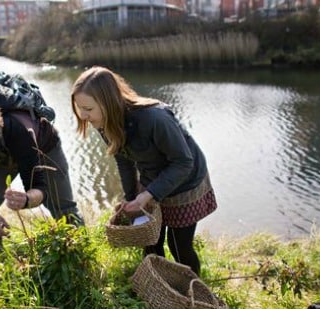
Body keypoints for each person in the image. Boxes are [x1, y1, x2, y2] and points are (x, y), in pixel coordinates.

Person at [70, 66, 217, 276]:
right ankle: (157, 287)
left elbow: (183, 163)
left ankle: (193, 292)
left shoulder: (155, 119)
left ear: (108, 102)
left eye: (88, 109)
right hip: (152, 178)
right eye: (79, 108)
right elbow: (123, 160)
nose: (83, 116)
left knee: (179, 246)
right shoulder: (104, 121)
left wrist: (148, 194)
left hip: (184, 181)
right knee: (150, 243)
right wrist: (131, 199)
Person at [0, 97, 84, 251]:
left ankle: (80, 253)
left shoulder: (16, 129)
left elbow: (39, 187)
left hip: (43, 147)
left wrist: (26, 199)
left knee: (63, 207)